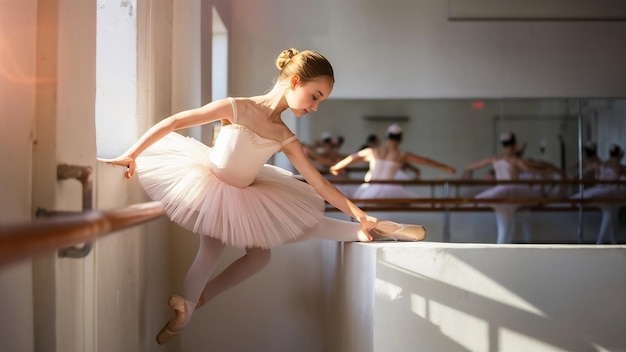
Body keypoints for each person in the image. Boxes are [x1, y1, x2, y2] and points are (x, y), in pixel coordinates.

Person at [101, 48, 426, 345]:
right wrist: (131, 154)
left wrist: (357, 211)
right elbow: (176, 122)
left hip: (245, 194)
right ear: (295, 81)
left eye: (319, 102)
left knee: (256, 254)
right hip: (210, 187)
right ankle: (377, 226)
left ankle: (188, 306)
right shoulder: (237, 107)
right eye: (314, 96)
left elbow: (321, 185)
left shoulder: (285, 135)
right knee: (216, 253)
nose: (314, 107)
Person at [329, 123, 456, 200]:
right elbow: (426, 161)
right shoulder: (402, 155)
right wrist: (447, 168)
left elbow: (351, 159)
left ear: (386, 137)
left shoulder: (372, 152)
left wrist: (336, 168)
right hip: (391, 192)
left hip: (369, 191)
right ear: (400, 139)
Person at [462, 132, 547, 244]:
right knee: (508, 226)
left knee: (506, 227)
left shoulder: (495, 159)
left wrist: (468, 170)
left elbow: (473, 166)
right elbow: (531, 169)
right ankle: (512, 248)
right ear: (515, 145)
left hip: (500, 192)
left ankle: (507, 249)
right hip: (513, 192)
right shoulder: (515, 160)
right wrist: (548, 170)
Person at [571, 143, 626, 244]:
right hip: (610, 192)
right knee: (610, 213)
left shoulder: (605, 164)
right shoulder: (613, 165)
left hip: (610, 191)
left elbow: (599, 179)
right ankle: (605, 243)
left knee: (610, 213)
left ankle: (606, 243)